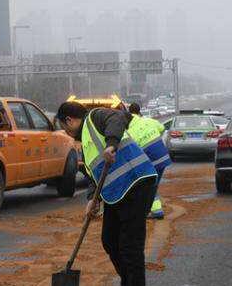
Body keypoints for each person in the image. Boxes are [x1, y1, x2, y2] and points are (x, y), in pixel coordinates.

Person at [56, 101, 157, 286]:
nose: (66, 132)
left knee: (130, 247)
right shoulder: (85, 144)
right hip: (117, 194)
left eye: (63, 127)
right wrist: (91, 200)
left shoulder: (95, 116)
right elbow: (94, 175)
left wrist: (111, 145)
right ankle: (128, 280)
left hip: (136, 183)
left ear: (69, 120)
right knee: (109, 240)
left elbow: (118, 117)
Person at [127, 102, 170, 219]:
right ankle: (151, 209)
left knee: (149, 185)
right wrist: (156, 136)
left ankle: (155, 211)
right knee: (153, 184)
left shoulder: (129, 130)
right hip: (163, 157)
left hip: (150, 160)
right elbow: (162, 128)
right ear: (139, 111)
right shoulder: (148, 121)